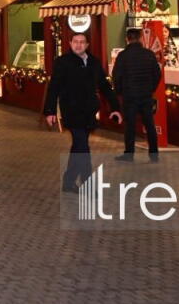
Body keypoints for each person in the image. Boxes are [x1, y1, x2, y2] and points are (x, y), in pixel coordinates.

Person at [43, 32, 121, 193]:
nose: (78, 45)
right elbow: (54, 88)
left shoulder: (93, 62)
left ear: (87, 45)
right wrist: (50, 111)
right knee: (83, 148)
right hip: (71, 111)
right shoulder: (62, 62)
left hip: (89, 111)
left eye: (82, 42)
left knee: (78, 147)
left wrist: (115, 108)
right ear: (70, 43)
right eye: (75, 42)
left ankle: (68, 182)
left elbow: (105, 87)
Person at [111, 28, 163, 162]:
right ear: (140, 38)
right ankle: (154, 154)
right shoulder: (149, 54)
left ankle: (129, 154)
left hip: (129, 96)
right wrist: (150, 88)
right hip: (146, 95)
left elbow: (116, 76)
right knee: (150, 124)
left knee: (130, 126)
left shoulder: (123, 56)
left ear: (127, 39)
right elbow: (157, 74)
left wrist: (120, 92)